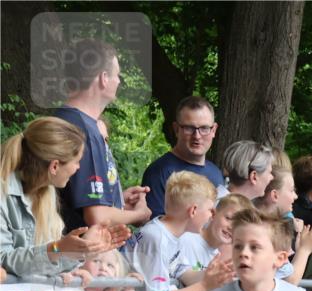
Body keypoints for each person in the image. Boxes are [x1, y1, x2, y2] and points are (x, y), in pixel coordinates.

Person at [1, 117, 129, 278]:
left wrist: (81, 249)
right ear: (54, 166)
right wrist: (59, 248)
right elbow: (4, 261)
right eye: (76, 162)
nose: (78, 168)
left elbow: (45, 259)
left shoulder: (46, 193)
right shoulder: (3, 194)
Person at [53, 39, 151, 230]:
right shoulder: (84, 131)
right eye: (117, 75)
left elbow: (77, 202)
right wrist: (138, 214)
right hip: (79, 254)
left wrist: (116, 199)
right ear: (103, 78)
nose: (119, 81)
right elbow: (96, 217)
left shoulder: (65, 118)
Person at [122, 171, 231, 291]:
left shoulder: (174, 234)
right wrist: (204, 286)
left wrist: (211, 275)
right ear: (193, 211)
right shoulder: (157, 238)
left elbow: (183, 273)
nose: (212, 216)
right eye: (211, 210)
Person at [142, 96, 224, 217]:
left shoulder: (216, 173)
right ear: (176, 129)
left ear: (213, 130)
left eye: (204, 128)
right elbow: (155, 231)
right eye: (189, 128)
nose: (197, 136)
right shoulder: (159, 173)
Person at [178, 193, 251, 275]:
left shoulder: (217, 259)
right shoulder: (186, 237)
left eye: (238, 225)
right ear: (213, 214)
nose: (231, 227)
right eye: (228, 218)